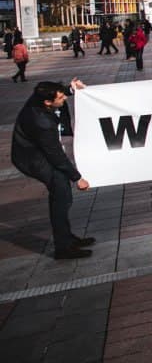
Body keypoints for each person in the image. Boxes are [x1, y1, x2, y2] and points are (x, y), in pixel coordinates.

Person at [11, 79, 94, 259]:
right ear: (47, 103)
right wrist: (77, 178)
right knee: (61, 195)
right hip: (33, 158)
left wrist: (71, 88)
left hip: (36, 151)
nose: (64, 98)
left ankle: (66, 238)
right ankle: (63, 248)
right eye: (61, 97)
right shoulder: (42, 122)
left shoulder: (39, 98)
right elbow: (56, 156)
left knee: (62, 194)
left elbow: (52, 91)